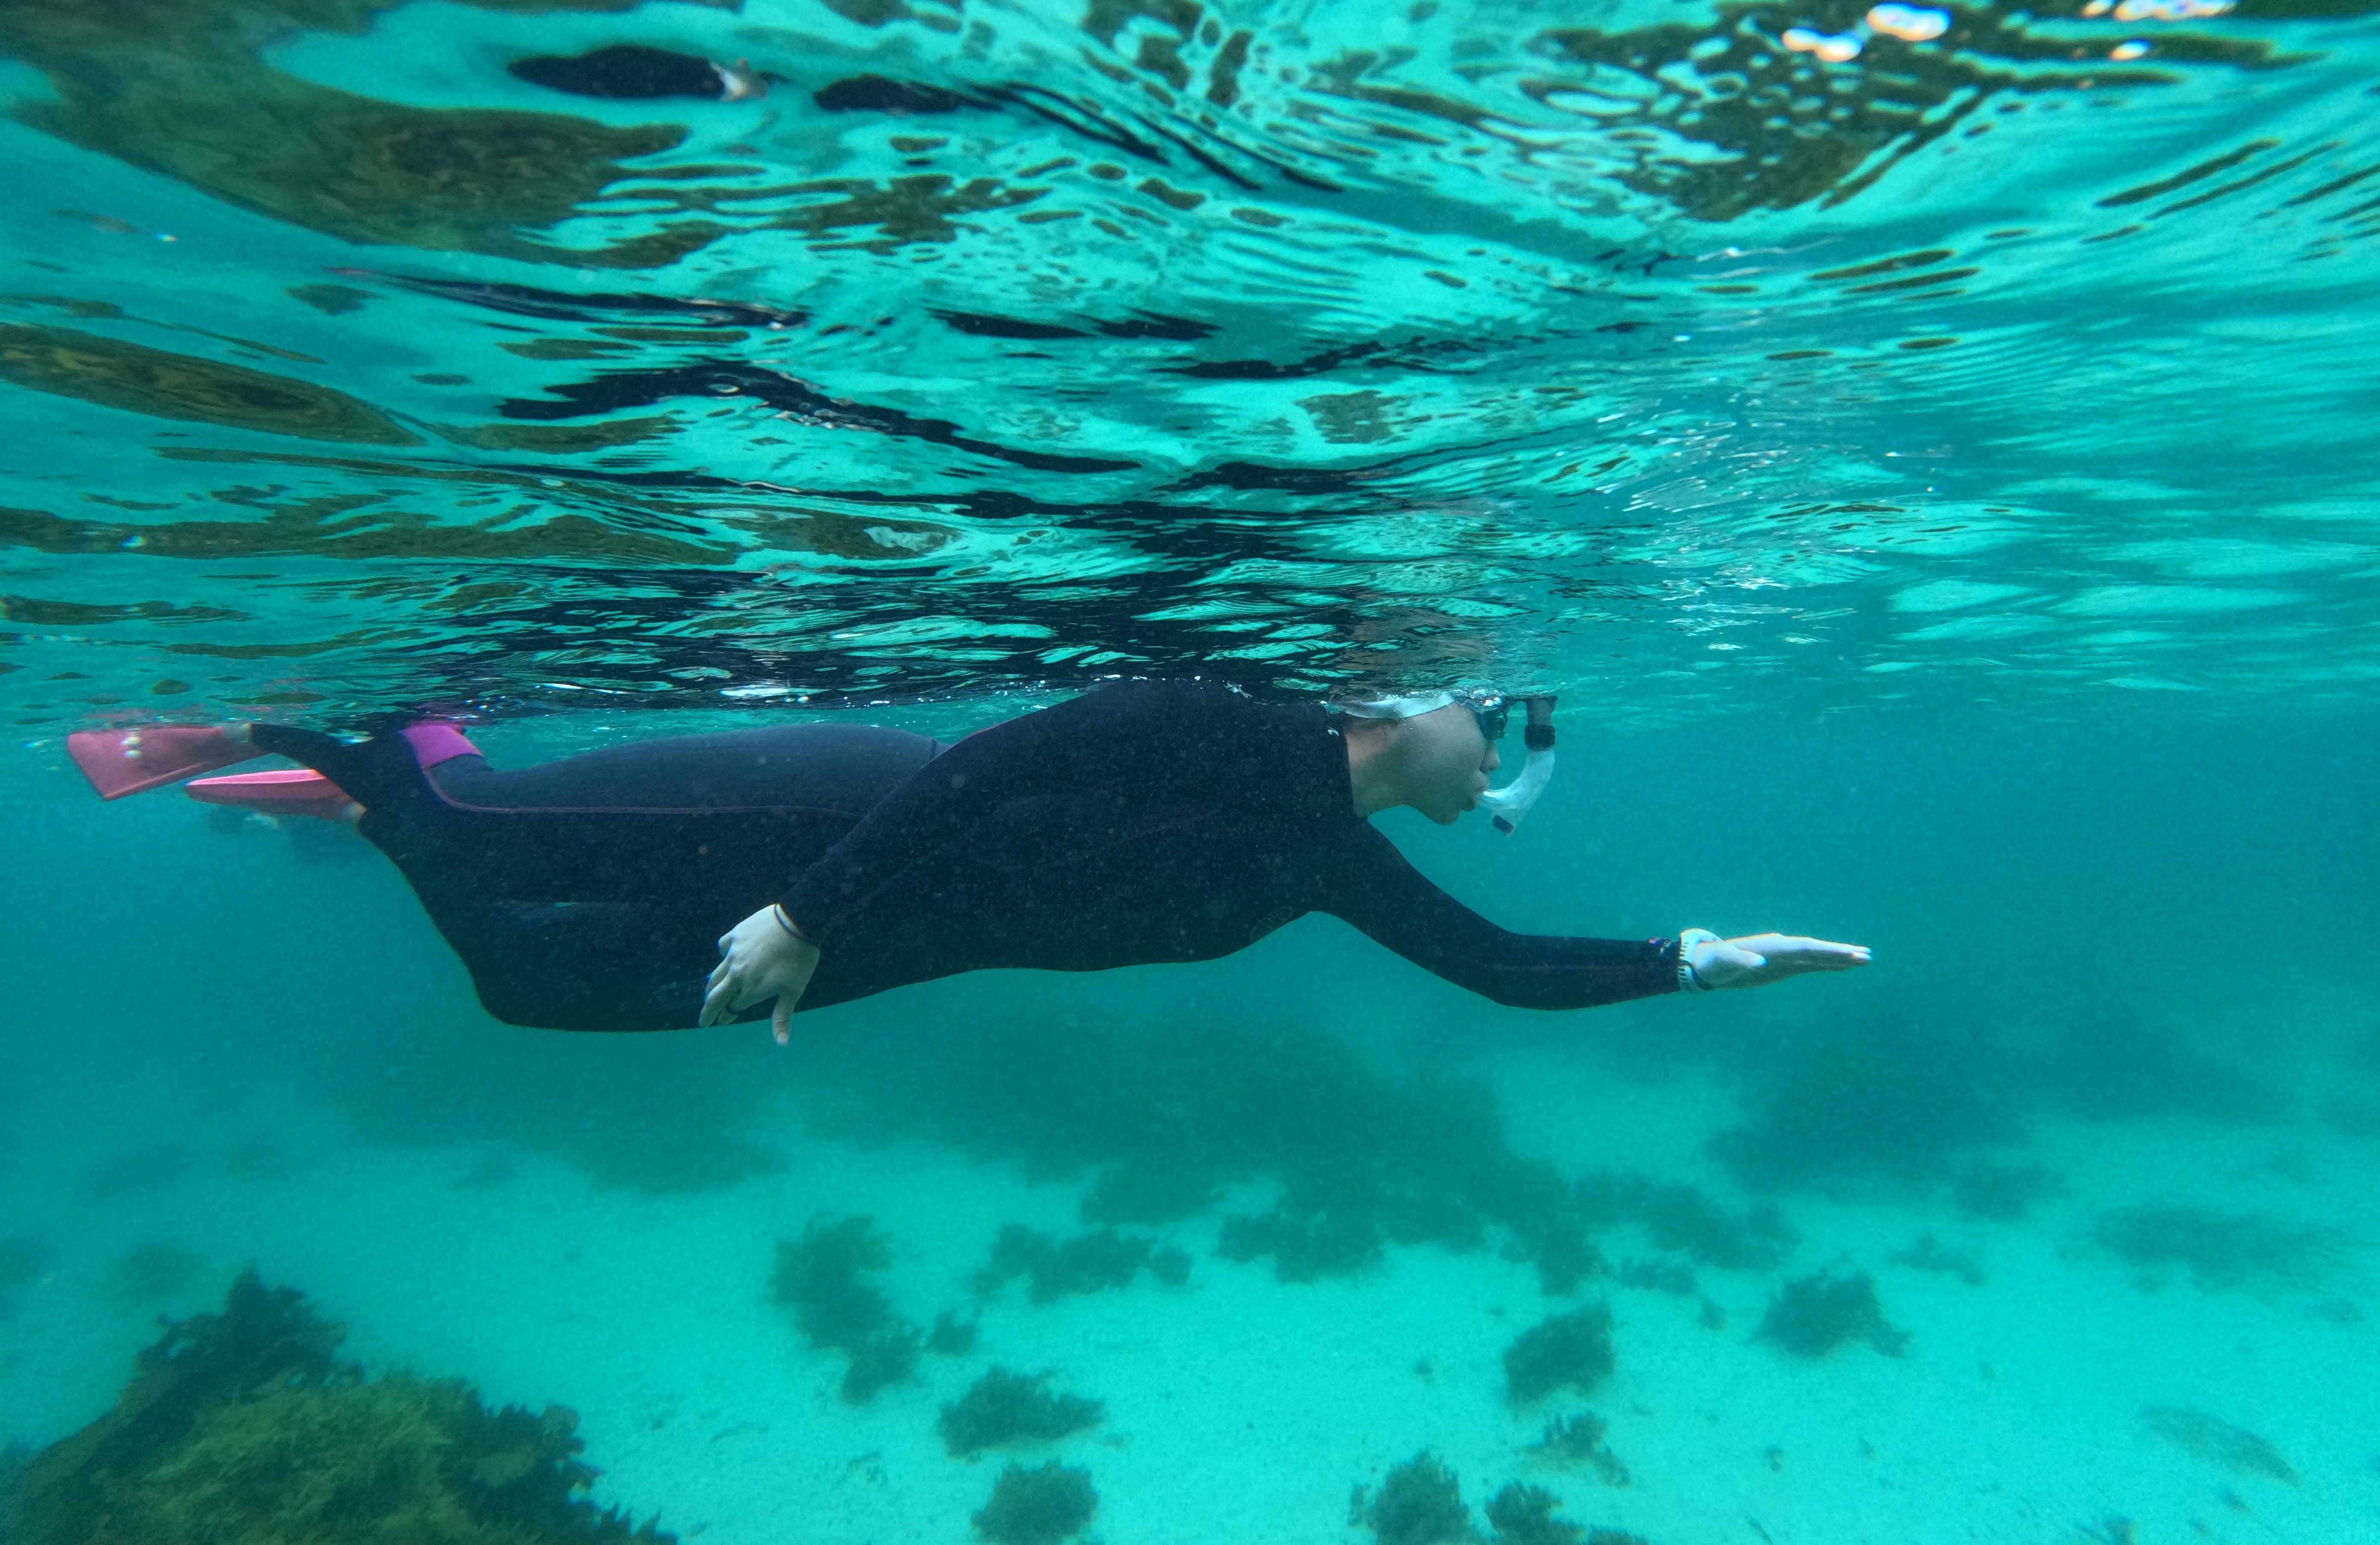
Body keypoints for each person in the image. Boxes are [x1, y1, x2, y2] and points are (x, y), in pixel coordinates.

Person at [67, 681, 1867, 1036]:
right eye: (1513, 727)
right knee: (470, 836)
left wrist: (1694, 959)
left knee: (534, 987)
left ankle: (391, 791)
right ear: (1412, 700)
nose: (1511, 772)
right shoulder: (1238, 725)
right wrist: (803, 910)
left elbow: (1498, 967)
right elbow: (1005, 764)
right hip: (835, 823)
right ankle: (356, 731)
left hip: (873, 935)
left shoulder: (1332, 859)